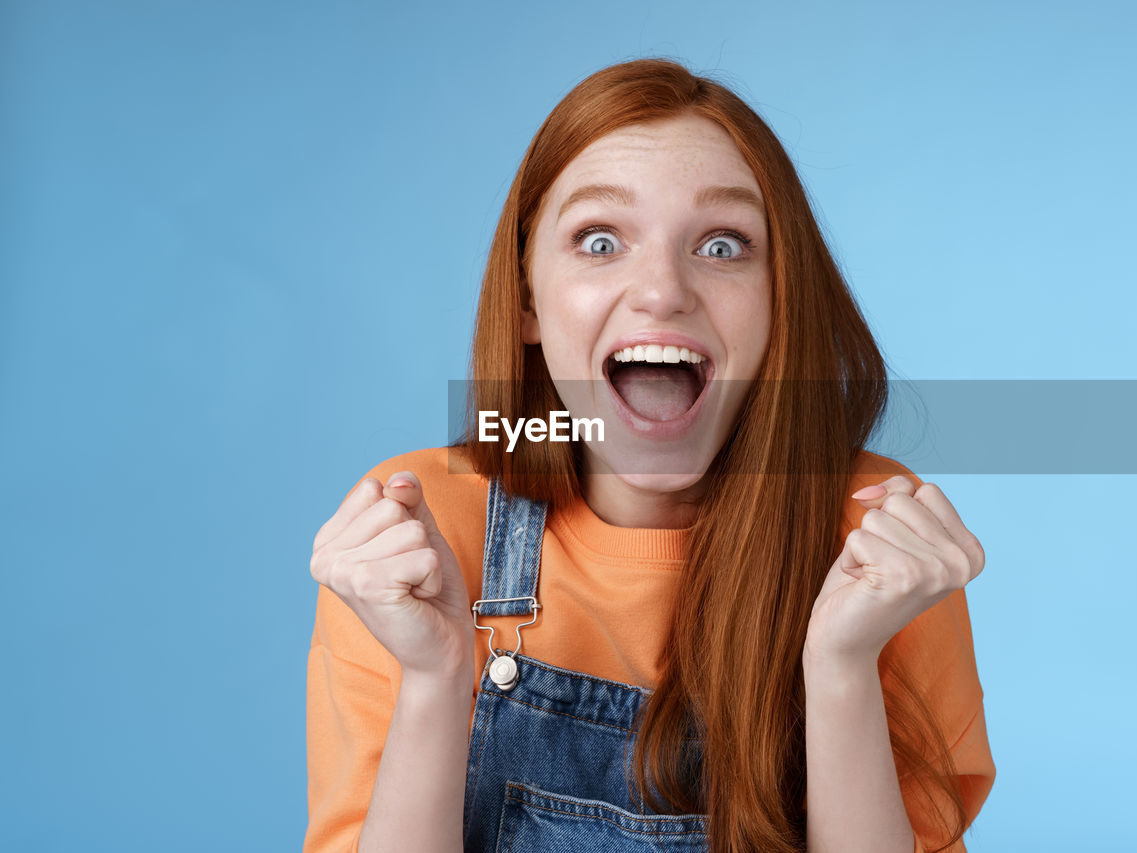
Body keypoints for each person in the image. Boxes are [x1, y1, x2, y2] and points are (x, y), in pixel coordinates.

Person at [305, 58, 995, 853]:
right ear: (529, 298)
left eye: (723, 244)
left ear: (781, 297)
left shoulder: (875, 536)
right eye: (600, 241)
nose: (662, 290)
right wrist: (432, 679)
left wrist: (840, 667)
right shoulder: (421, 528)